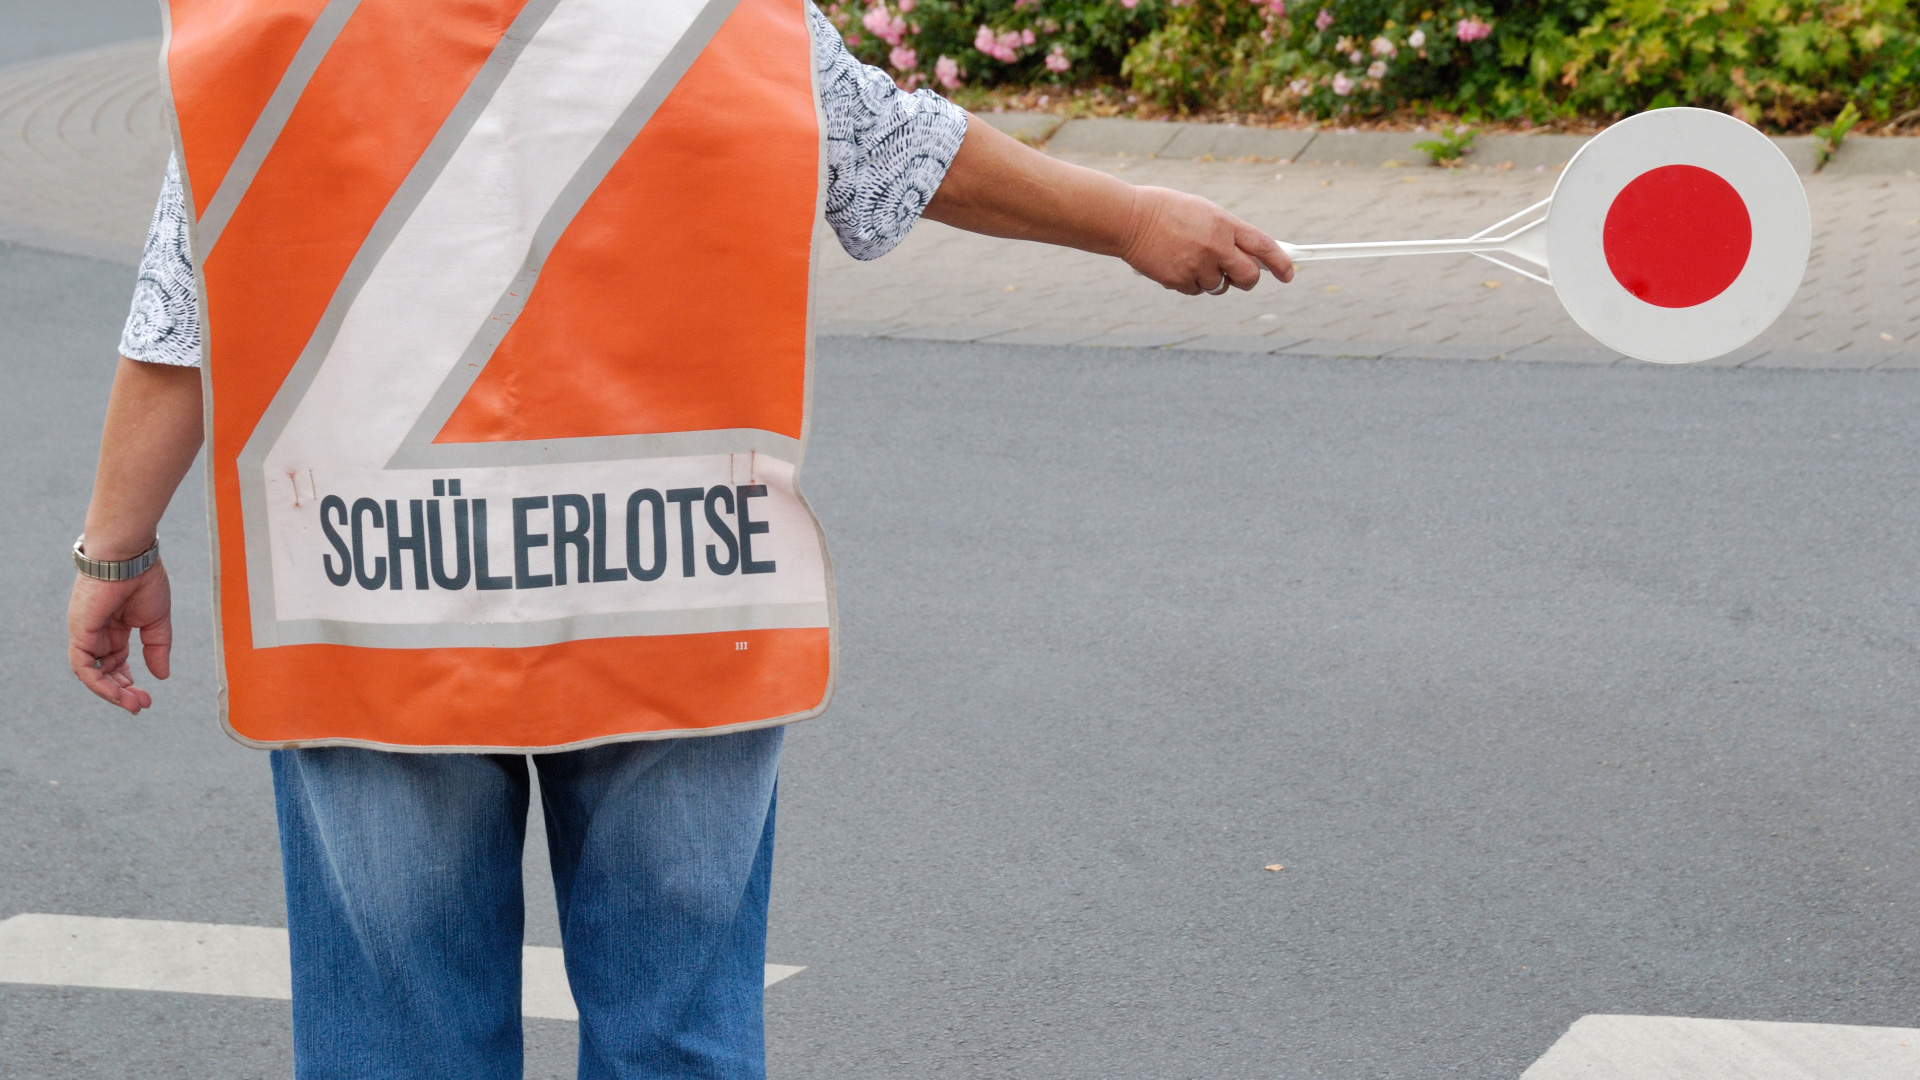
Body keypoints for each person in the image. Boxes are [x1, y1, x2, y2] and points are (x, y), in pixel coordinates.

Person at [66, 3, 1293, 1077]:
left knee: (401, 1041)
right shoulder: (714, 14)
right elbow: (894, 147)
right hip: (672, 592)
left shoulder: (276, 27)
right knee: (678, 1042)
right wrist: (1131, 217)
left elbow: (186, 307)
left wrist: (116, 553)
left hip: (376, 598)